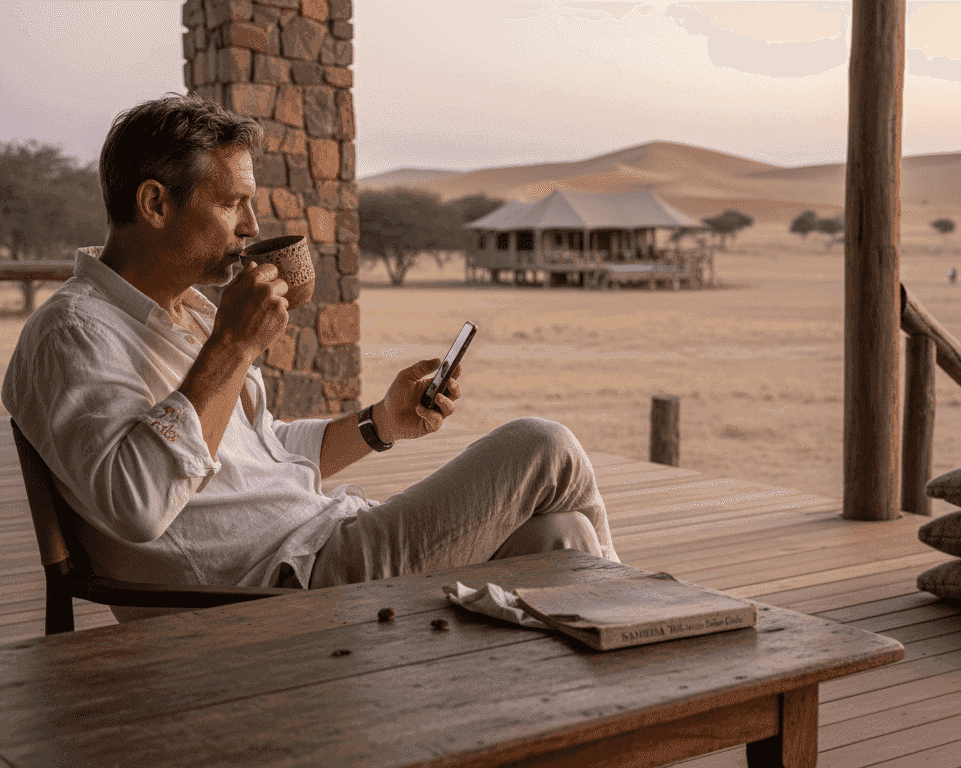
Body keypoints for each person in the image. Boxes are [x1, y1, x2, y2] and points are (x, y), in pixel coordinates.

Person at [1, 94, 618, 622]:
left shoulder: (184, 312)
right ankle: (646, 634)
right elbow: (134, 504)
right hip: (272, 594)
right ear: (156, 204)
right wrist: (233, 347)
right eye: (231, 203)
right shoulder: (72, 333)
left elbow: (260, 450)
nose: (251, 225)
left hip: (325, 541)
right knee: (545, 445)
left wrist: (380, 424)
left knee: (563, 540)